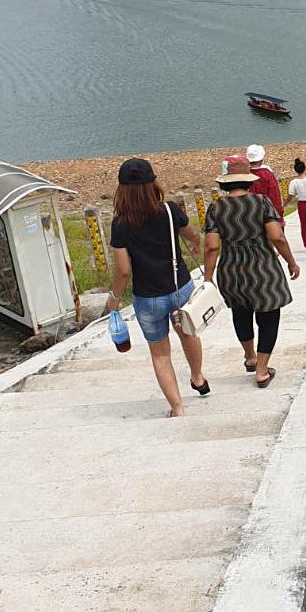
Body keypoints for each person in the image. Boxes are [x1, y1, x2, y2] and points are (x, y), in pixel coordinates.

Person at [105, 157, 208, 418]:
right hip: (179, 287)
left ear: (121, 190)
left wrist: (114, 297)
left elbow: (123, 270)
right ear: (154, 183)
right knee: (189, 335)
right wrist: (196, 243)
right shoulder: (170, 211)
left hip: (148, 298)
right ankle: (197, 377)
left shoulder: (120, 224)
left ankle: (178, 408)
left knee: (160, 354)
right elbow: (192, 235)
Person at [204, 154, 300, 387]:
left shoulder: (216, 208)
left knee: (240, 313)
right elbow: (276, 236)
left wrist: (208, 278)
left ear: (226, 182)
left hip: (231, 269)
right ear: (248, 180)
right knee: (269, 317)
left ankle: (250, 357)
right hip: (263, 267)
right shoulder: (261, 202)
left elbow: (212, 246)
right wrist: (291, 261)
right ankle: (262, 371)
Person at [245, 143, 284, 216]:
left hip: (251, 215)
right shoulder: (267, 174)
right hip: (268, 215)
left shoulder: (244, 174)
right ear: (261, 159)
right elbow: (274, 196)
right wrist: (279, 214)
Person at [288, 157, 306, 250]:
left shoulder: (293, 182)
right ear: (305, 168)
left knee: (304, 225)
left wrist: (285, 203)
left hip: (302, 204)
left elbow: (290, 195)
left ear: (295, 170)